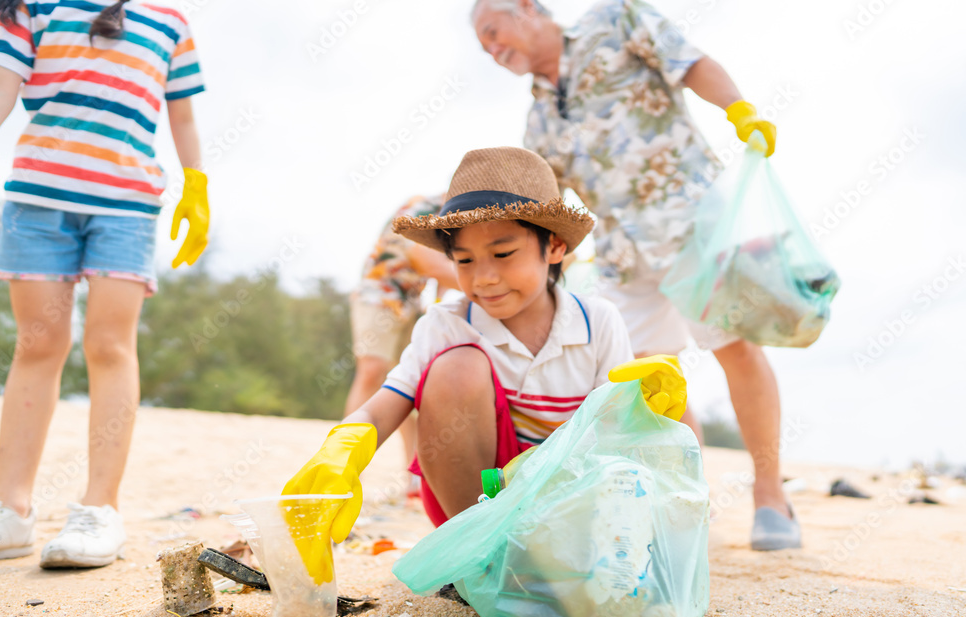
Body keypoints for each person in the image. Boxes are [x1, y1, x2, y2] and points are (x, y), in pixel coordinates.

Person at [471, 0, 798, 550]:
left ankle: (771, 496)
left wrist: (738, 109)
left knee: (733, 347)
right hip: (621, 247)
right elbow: (550, 202)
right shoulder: (540, 117)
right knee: (640, 376)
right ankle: (689, 496)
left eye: (493, 32)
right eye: (484, 47)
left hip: (691, 216)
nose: (492, 49)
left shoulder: (615, 20)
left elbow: (690, 63)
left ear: (526, 7)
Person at [281, 147, 689, 581]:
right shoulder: (448, 322)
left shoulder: (599, 321)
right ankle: (480, 560)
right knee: (456, 367)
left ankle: (559, 559)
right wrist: (342, 452)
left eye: (503, 253)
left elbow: (612, 434)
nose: (484, 277)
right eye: (464, 261)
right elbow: (389, 400)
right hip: (481, 495)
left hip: (568, 492)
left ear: (554, 246)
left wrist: (643, 408)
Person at [0, 0, 208, 568]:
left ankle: (100, 509)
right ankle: (8, 512)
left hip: (126, 207)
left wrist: (196, 181)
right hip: (37, 200)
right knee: (38, 343)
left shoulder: (168, 20)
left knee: (109, 344)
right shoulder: (29, 5)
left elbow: (185, 114)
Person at [345, 194, 459, 496]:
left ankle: (413, 477)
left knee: (408, 384)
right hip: (379, 294)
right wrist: (488, 283)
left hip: (409, 305)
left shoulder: (453, 221)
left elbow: (443, 275)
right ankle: (343, 467)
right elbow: (427, 260)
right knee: (373, 369)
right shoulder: (423, 208)